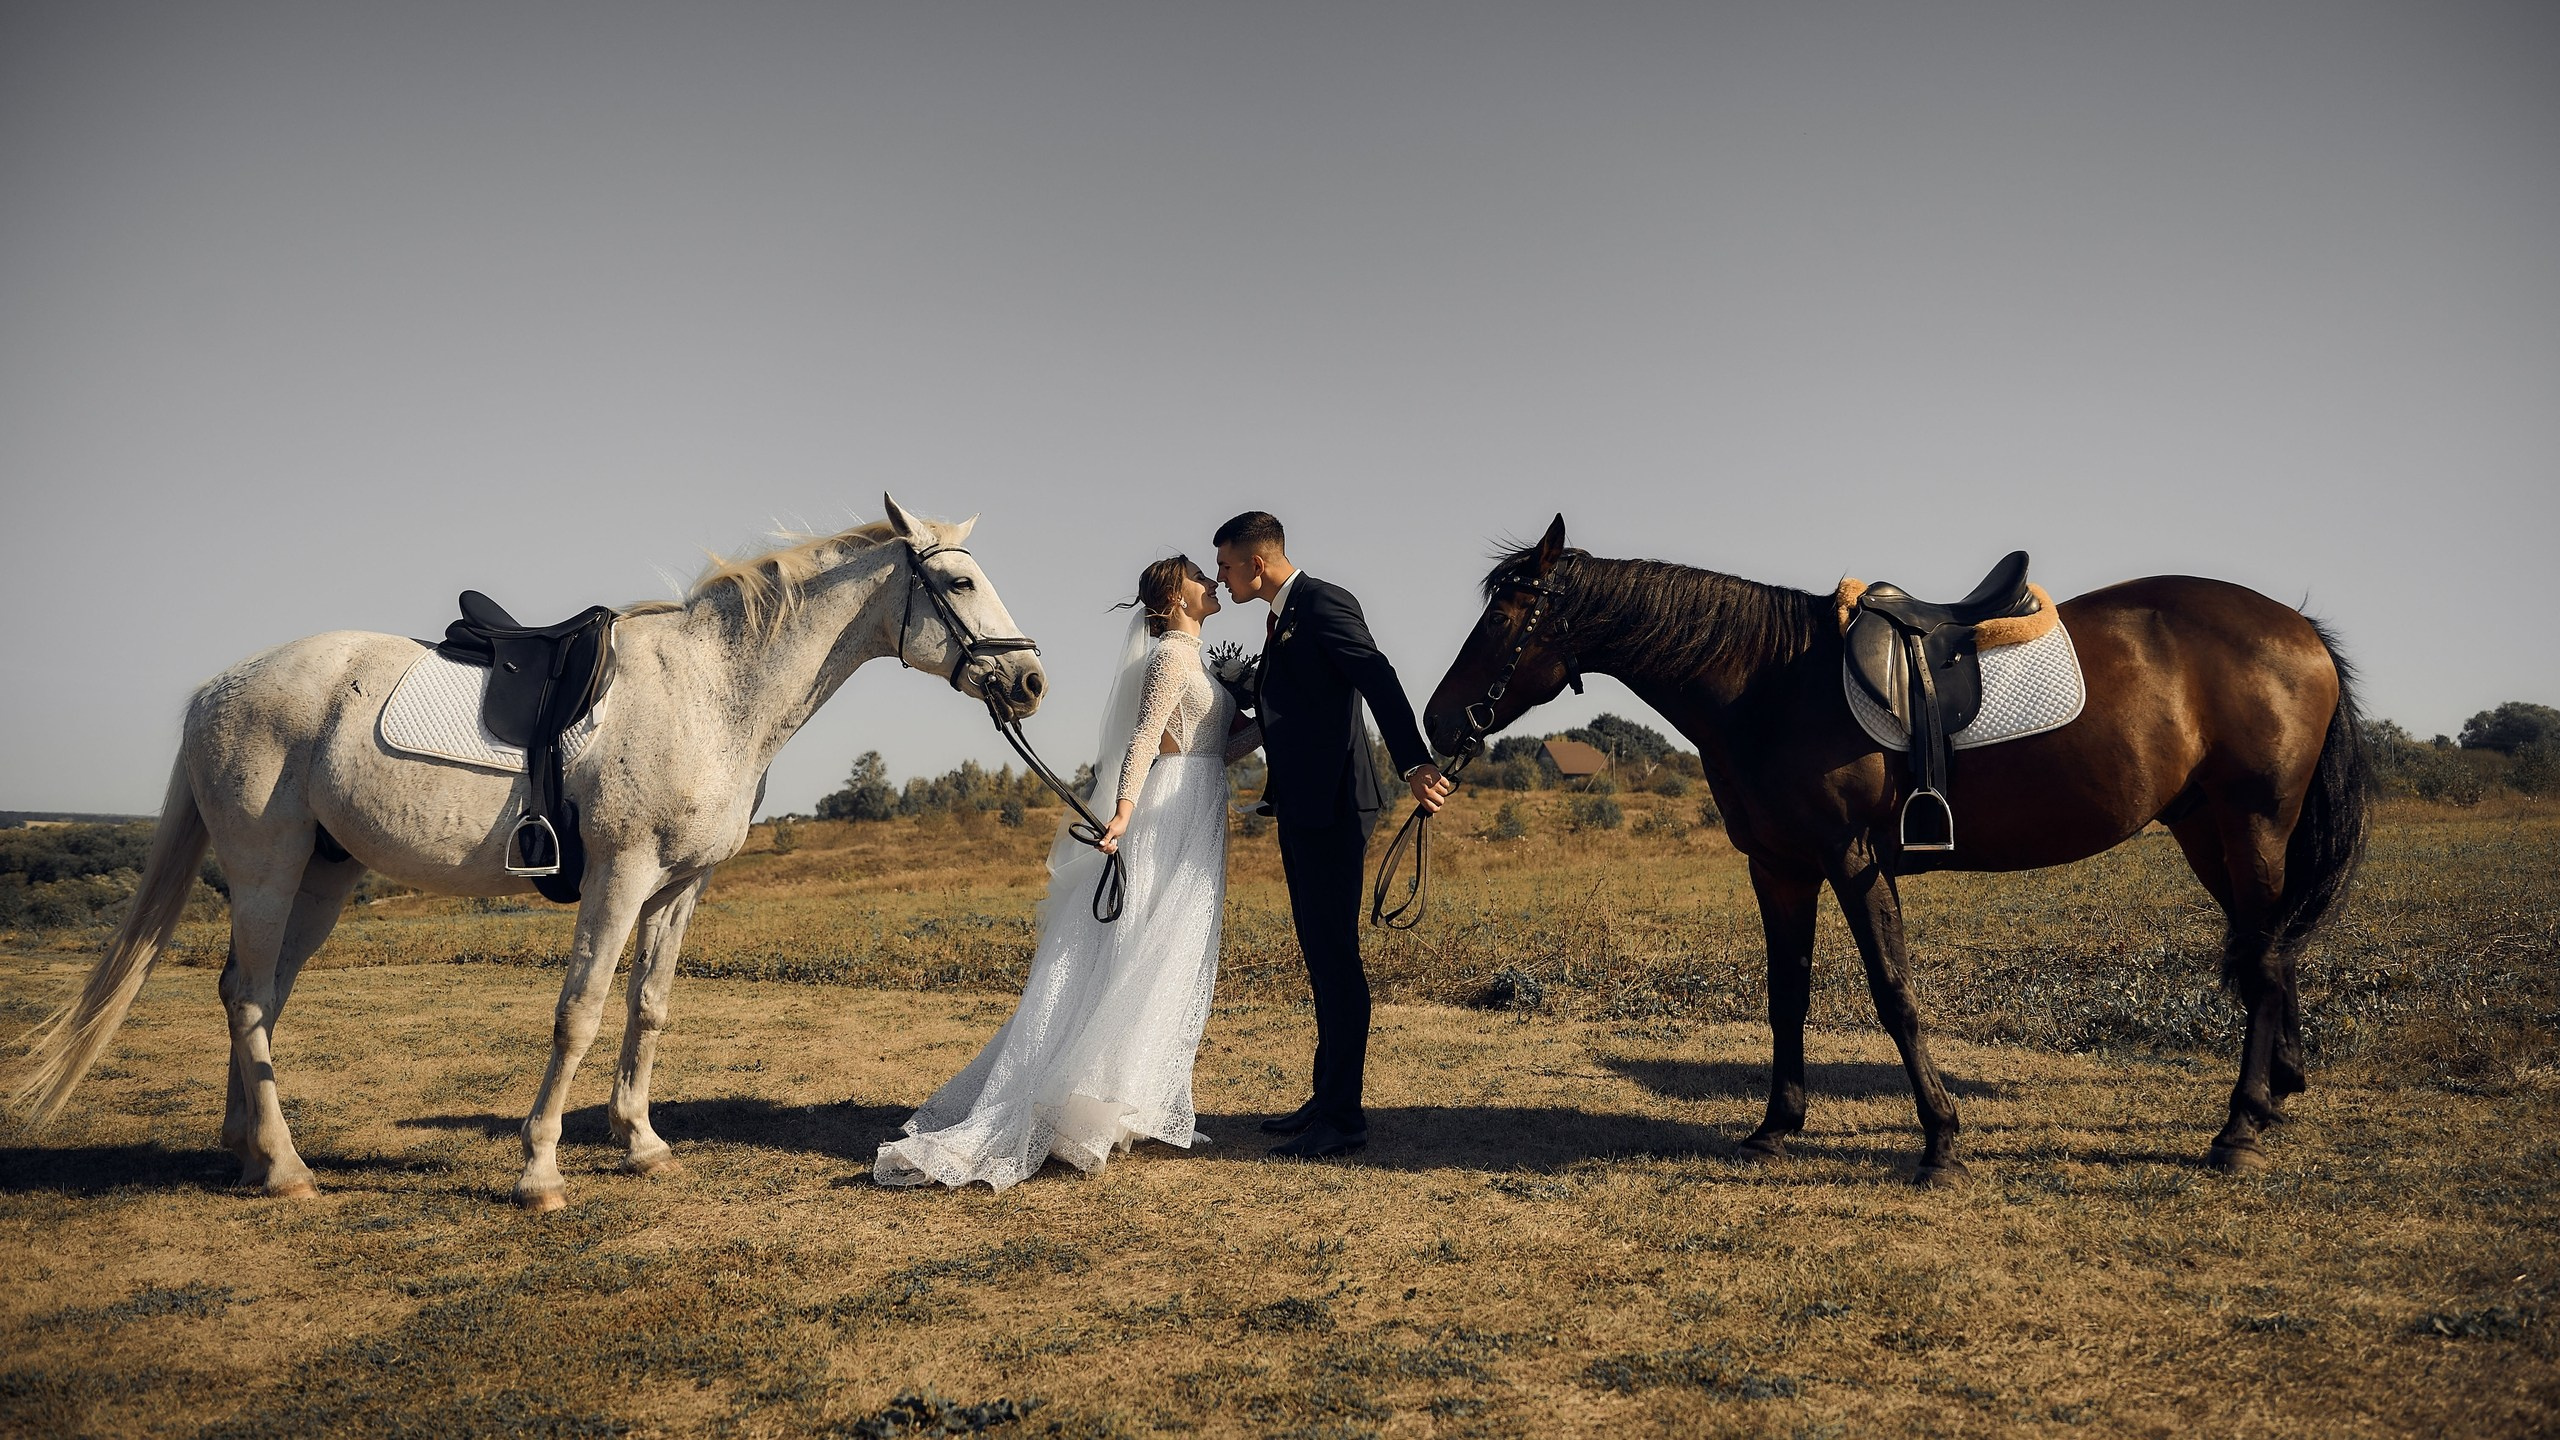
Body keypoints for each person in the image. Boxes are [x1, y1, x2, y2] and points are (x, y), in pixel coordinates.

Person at [874, 556, 1261, 1190]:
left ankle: (1130, 1098)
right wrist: (1124, 813)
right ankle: (1087, 1101)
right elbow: (1143, 739)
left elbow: (1220, 747)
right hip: (1166, 811)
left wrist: (1268, 711)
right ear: (1175, 596)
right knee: (1142, 948)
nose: (1213, 584)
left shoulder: (1197, 665)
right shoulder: (1168, 658)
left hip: (1201, 804)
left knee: (1174, 950)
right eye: (1202, 578)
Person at [1213, 511, 1450, 1160]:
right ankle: (1327, 1097)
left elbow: (1376, 674)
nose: (1221, 578)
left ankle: (1343, 1120)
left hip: (1337, 806)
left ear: (1257, 563)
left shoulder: (1322, 603)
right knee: (1323, 957)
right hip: (1303, 806)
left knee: (1336, 959)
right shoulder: (1284, 619)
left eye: (1227, 566)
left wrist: (1414, 760)